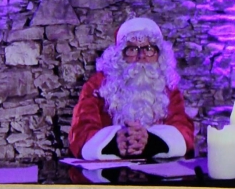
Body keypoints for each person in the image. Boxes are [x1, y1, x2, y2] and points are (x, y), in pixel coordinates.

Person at [69, 17, 194, 160]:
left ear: (159, 55)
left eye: (149, 49)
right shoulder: (97, 85)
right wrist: (114, 142)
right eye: (132, 49)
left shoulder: (168, 87)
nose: (141, 56)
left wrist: (151, 141)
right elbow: (80, 133)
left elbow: (184, 131)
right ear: (120, 55)